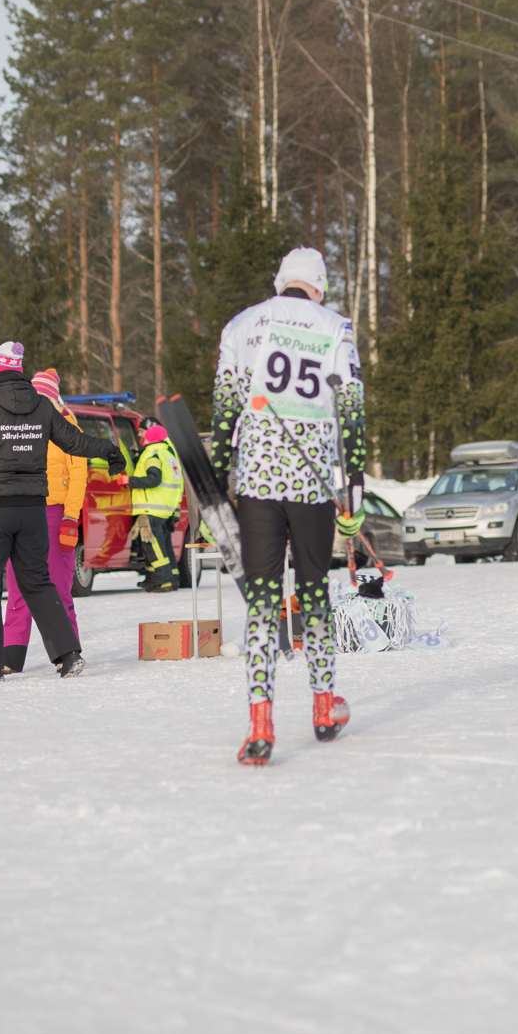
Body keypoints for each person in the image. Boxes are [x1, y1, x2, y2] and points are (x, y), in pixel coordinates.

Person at [209, 247, 364, 765]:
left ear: (280, 283)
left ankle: (260, 724)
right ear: (318, 287)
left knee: (261, 603)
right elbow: (351, 410)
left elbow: (226, 407)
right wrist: (355, 492)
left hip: (257, 482)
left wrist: (217, 483)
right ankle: (323, 708)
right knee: (314, 594)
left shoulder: (240, 325)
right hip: (313, 486)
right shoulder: (336, 327)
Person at [0, 342, 125, 681]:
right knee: (38, 583)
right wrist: (109, 449)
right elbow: (75, 442)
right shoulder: (43, 406)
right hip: (34, 510)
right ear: (18, 372)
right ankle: (68, 655)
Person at [0, 370, 89, 676]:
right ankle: (11, 654)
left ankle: (69, 652)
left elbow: (79, 475)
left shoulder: (67, 426)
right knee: (17, 586)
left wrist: (70, 518)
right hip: (21, 511)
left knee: (58, 587)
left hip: (55, 512)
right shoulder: (17, 426)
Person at [128, 422, 186, 592]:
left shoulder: (152, 453)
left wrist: (129, 480)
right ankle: (171, 579)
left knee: (154, 547)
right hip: (165, 507)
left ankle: (163, 581)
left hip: (151, 507)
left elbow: (153, 479)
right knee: (163, 546)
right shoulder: (168, 453)